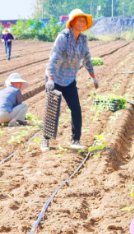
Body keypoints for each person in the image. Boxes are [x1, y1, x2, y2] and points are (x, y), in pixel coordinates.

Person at [43, 8, 100, 152]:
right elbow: (54, 57)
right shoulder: (63, 37)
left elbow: (87, 58)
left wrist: (93, 77)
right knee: (53, 109)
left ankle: (76, 140)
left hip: (69, 79)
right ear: (72, 22)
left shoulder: (83, 40)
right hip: (55, 77)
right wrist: (50, 79)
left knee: (76, 109)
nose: (82, 23)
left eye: (84, 21)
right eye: (79, 20)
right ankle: (45, 141)